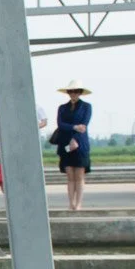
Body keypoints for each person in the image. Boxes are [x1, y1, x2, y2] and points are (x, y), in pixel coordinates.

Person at [54, 81, 94, 211]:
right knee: (70, 176)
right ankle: (71, 203)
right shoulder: (62, 108)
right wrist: (74, 127)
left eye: (76, 91)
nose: (73, 94)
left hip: (80, 143)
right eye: (71, 91)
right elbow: (61, 124)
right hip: (65, 142)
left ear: (80, 92)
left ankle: (79, 203)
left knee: (79, 176)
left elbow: (84, 126)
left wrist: (75, 137)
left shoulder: (86, 106)